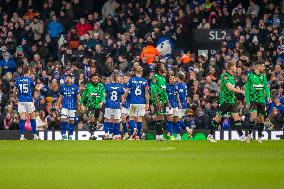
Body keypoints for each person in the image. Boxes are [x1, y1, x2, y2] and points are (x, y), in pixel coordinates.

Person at [207, 61, 246, 142]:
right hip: (225, 101)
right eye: (234, 66)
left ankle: (242, 136)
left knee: (237, 118)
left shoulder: (231, 77)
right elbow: (230, 88)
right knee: (218, 118)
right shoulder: (225, 76)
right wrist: (241, 91)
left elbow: (231, 88)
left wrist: (237, 89)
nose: (236, 68)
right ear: (230, 67)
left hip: (231, 101)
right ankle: (210, 135)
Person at [245, 61, 271, 143]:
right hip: (253, 100)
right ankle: (249, 135)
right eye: (263, 66)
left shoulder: (263, 76)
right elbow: (247, 89)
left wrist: (268, 97)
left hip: (261, 100)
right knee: (253, 117)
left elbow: (266, 87)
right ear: (258, 67)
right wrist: (247, 101)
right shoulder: (250, 76)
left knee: (261, 119)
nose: (264, 68)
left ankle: (259, 137)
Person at [125, 65, 149, 140]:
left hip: (134, 102)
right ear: (141, 72)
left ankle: (134, 129)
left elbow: (127, 91)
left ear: (135, 72)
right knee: (139, 119)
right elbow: (146, 94)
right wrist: (147, 103)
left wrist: (123, 97)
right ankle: (138, 136)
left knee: (131, 118)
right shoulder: (145, 81)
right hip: (142, 102)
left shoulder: (131, 80)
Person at [15, 66, 39, 140]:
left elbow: (14, 91)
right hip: (29, 100)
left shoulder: (17, 80)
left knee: (22, 119)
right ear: (28, 71)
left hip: (21, 100)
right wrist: (39, 88)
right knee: (32, 118)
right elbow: (35, 88)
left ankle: (22, 136)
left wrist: (16, 97)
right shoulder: (30, 80)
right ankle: (35, 135)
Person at [80, 73, 105, 140]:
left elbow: (103, 95)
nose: (96, 80)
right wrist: (81, 104)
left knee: (95, 120)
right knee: (91, 117)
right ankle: (92, 135)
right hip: (90, 104)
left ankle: (93, 131)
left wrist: (101, 102)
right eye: (94, 79)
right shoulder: (88, 86)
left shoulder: (101, 86)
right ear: (91, 79)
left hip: (98, 105)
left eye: (97, 78)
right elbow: (84, 96)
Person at [57, 74, 81, 140]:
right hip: (65, 106)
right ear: (65, 79)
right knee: (63, 119)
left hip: (72, 106)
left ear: (71, 79)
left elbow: (78, 96)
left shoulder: (75, 87)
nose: (67, 79)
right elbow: (61, 97)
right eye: (66, 78)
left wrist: (81, 104)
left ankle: (70, 135)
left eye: (69, 78)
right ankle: (64, 135)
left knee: (71, 121)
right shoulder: (62, 87)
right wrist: (58, 104)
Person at [150, 63, 169, 140]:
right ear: (159, 68)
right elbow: (153, 89)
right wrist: (157, 101)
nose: (164, 68)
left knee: (160, 117)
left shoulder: (163, 78)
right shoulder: (155, 77)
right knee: (160, 117)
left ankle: (158, 136)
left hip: (163, 100)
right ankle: (160, 136)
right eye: (163, 66)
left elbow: (164, 91)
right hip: (158, 100)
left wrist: (168, 102)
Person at [104, 74, 125, 140]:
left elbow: (104, 95)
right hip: (116, 105)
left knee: (107, 119)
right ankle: (115, 135)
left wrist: (103, 101)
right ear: (116, 79)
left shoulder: (107, 86)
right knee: (116, 120)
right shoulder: (120, 87)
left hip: (108, 105)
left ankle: (107, 134)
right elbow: (122, 98)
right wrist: (121, 103)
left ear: (111, 79)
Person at [166, 74, 181, 140]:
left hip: (175, 105)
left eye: (173, 79)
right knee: (170, 119)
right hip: (169, 105)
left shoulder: (176, 86)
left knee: (177, 120)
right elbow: (165, 96)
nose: (172, 80)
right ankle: (171, 135)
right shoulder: (166, 86)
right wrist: (168, 103)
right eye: (171, 79)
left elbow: (177, 94)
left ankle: (178, 136)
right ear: (169, 80)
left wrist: (179, 103)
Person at [176, 72, 191, 140]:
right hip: (184, 104)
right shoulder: (184, 84)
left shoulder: (180, 85)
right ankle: (187, 130)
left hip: (181, 104)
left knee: (177, 120)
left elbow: (181, 96)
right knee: (178, 119)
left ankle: (179, 136)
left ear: (178, 77)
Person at [121, 75, 130, 140]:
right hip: (124, 105)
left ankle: (137, 134)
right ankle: (126, 133)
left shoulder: (131, 85)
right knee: (123, 119)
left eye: (125, 78)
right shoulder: (121, 86)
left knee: (133, 120)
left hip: (131, 105)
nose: (124, 79)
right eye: (123, 78)